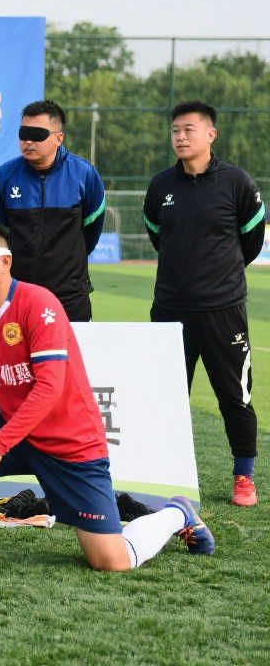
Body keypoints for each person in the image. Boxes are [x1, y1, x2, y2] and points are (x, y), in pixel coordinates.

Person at [0, 222, 215, 570]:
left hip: (70, 445)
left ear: (5, 262)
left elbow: (49, 389)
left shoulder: (38, 304)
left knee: (110, 561)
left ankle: (177, 513)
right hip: (17, 432)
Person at [144, 101, 264, 507]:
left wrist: (219, 277)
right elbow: (157, 234)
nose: (180, 137)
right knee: (164, 396)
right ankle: (161, 475)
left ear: (210, 134)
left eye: (188, 130)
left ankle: (244, 477)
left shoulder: (237, 183)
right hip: (170, 310)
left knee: (234, 396)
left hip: (222, 310)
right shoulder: (161, 186)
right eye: (175, 130)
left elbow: (251, 241)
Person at [0, 100, 105, 321]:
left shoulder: (84, 174)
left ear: (58, 138)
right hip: (17, 294)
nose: (28, 141)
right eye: (24, 134)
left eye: (37, 134)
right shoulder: (4, 176)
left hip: (70, 296)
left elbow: (92, 229)